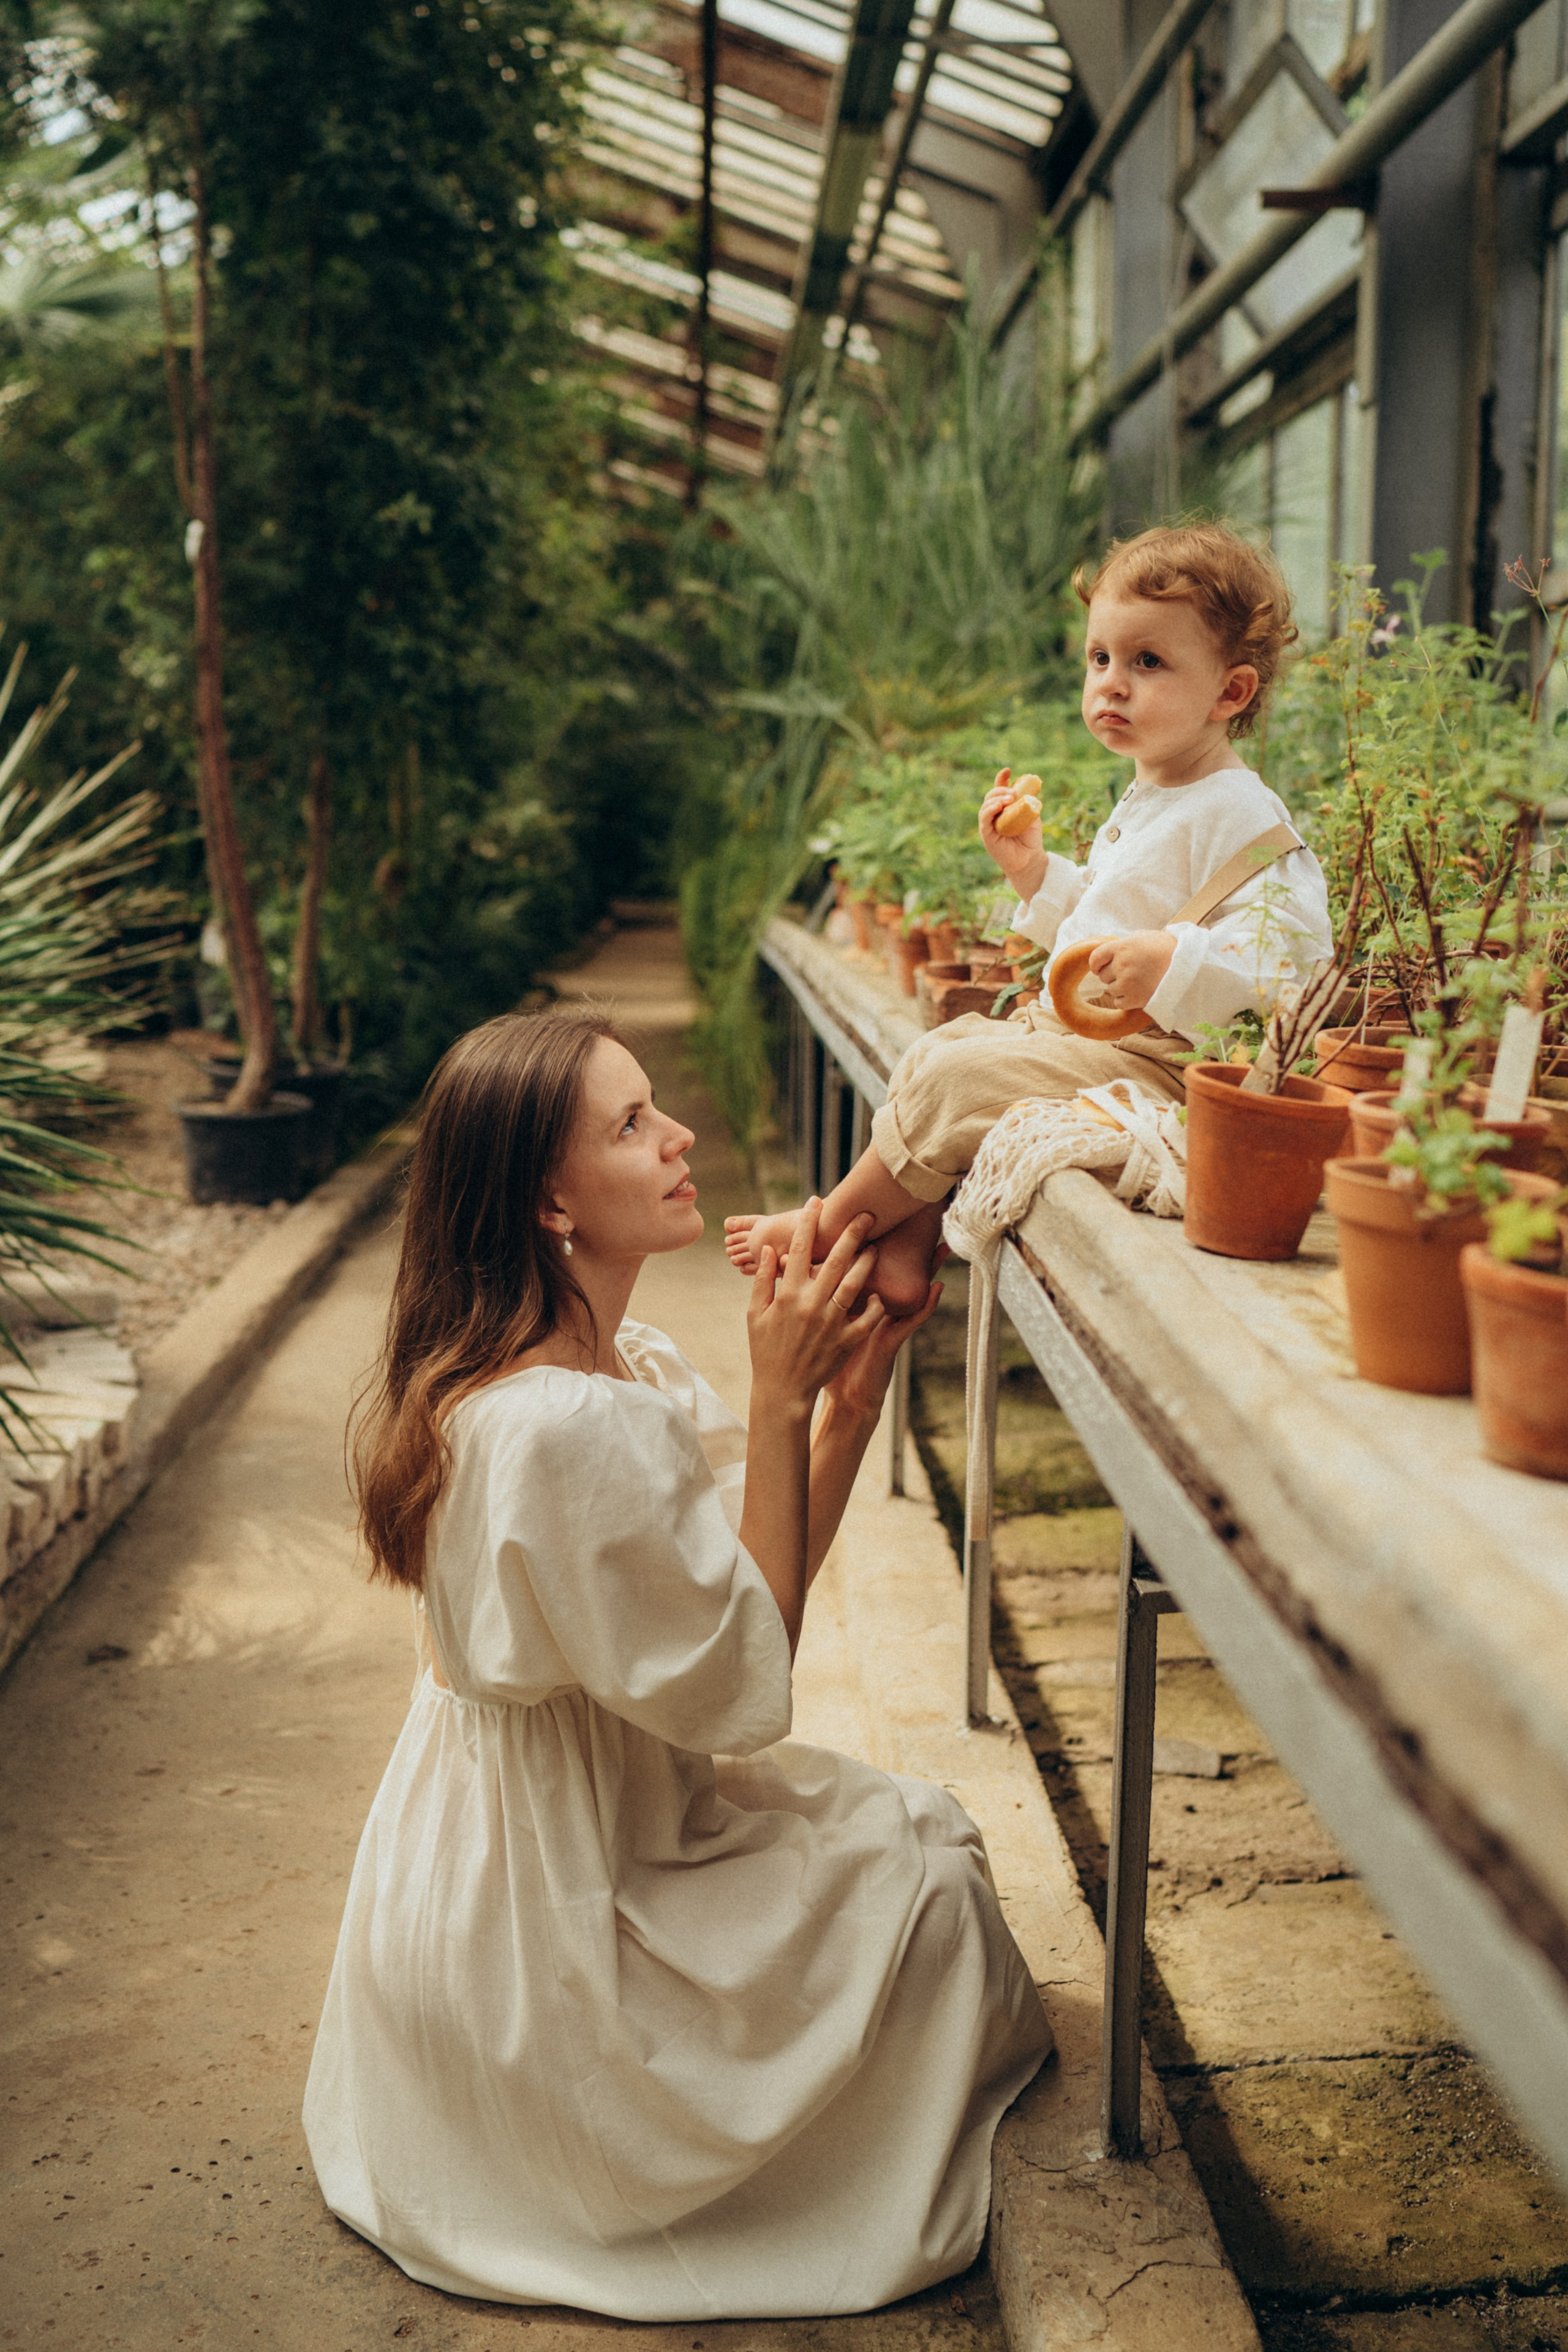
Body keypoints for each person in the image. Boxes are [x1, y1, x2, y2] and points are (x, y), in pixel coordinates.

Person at [304, 1009, 1051, 2320]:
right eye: (632, 1123)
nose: (678, 1135)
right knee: (931, 1904)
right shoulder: (555, 1429)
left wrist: (851, 1392)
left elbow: (734, 1592)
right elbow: (741, 1685)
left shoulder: (588, 1369)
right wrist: (776, 1400)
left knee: (921, 1840)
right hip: (549, 1926)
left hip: (525, 1845)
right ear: (548, 1197)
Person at [725, 521, 1334, 1309]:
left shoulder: (1243, 813)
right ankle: (907, 1249)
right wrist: (1035, 871)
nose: (1112, 683)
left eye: (1147, 662)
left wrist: (1175, 962)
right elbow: (1105, 922)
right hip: (1084, 1036)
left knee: (958, 1075)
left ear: (1230, 692)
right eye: (1100, 657)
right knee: (944, 1049)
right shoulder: (1160, 791)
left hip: (1165, 1065)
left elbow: (1291, 966)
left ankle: (825, 1225)